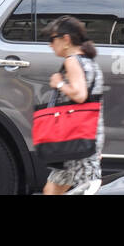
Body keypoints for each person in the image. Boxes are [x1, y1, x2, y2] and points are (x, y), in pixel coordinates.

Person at [41, 16, 104, 195]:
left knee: (62, 190)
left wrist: (58, 83)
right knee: (53, 190)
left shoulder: (72, 61)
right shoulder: (90, 62)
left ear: (66, 39)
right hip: (86, 137)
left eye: (52, 39)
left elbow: (79, 94)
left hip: (76, 139)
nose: (50, 45)